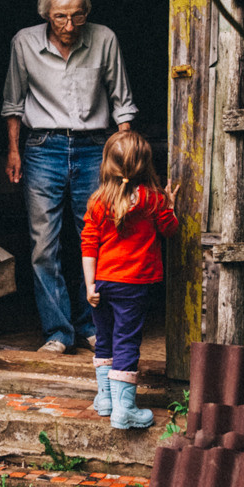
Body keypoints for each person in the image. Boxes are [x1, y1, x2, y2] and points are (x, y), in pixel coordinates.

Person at [2, 0, 137, 354]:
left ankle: (91, 325)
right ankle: (58, 332)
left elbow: (122, 102)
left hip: (94, 147)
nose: (70, 26)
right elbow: (13, 103)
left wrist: (124, 154)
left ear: (87, 13)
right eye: (60, 17)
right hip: (42, 147)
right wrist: (13, 151)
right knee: (43, 245)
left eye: (78, 16)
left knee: (97, 239)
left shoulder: (104, 39)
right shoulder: (24, 43)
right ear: (46, 14)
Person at [80, 130, 177, 429]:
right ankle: (124, 410)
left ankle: (106, 400)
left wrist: (90, 285)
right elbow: (170, 230)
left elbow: (88, 244)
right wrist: (170, 207)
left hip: (102, 284)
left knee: (104, 339)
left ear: (108, 164)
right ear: (145, 165)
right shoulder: (153, 199)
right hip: (134, 286)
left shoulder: (98, 201)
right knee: (126, 342)